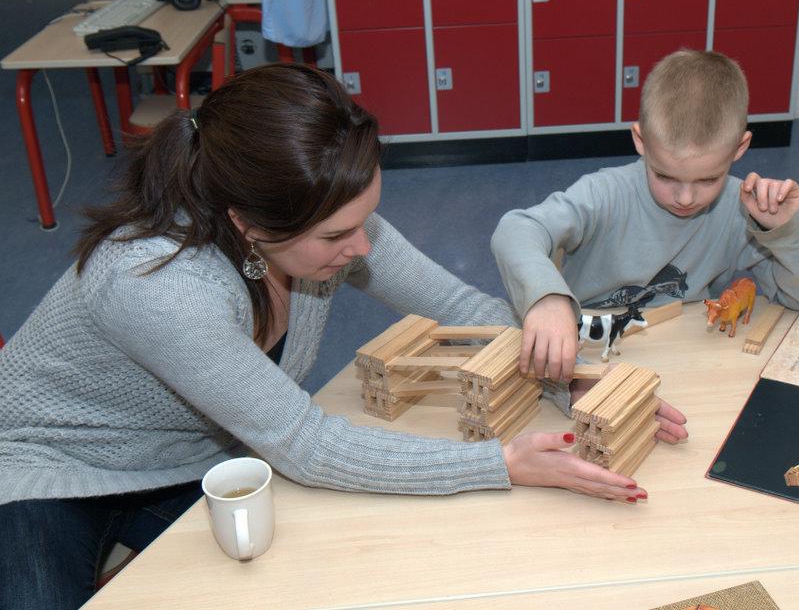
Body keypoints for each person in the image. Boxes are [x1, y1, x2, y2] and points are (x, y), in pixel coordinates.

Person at [0, 64, 649, 610]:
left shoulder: (310, 220)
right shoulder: (158, 284)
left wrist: (570, 371)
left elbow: (455, 304)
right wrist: (502, 464)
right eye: (339, 236)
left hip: (195, 459)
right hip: (51, 472)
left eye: (365, 218)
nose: (364, 247)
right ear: (248, 224)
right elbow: (307, 445)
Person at [491, 49, 799, 389]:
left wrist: (788, 232)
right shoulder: (605, 193)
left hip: (686, 366)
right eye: (665, 176)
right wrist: (545, 298)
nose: (685, 198)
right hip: (589, 364)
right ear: (641, 140)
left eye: (707, 180)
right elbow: (516, 230)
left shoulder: (742, 209)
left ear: (739, 149)